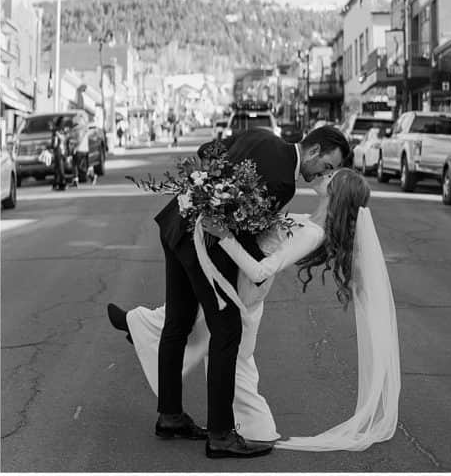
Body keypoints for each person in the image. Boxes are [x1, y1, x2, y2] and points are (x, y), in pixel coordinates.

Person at [108, 168, 400, 452]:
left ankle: (256, 428)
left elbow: (261, 270)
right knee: (208, 331)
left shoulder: (313, 233)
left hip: (248, 289)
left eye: (331, 176)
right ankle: (141, 326)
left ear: (337, 193)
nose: (324, 175)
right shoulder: (309, 220)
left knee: (231, 355)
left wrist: (225, 236)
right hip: (240, 283)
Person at [120, 125, 350, 459]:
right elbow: (244, 234)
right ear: (315, 151)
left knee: (179, 320)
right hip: (204, 247)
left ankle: (170, 415)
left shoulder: (260, 135)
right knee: (227, 332)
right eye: (327, 166)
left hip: (176, 221)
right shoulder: (284, 182)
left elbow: (205, 152)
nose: (322, 174)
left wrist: (204, 192)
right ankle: (221, 434)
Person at [50, 118, 68, 191]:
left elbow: (54, 143)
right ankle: (60, 183)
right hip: (61, 150)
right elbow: (63, 140)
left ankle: (59, 183)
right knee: (59, 168)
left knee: (58, 168)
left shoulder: (57, 131)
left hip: (59, 150)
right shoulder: (61, 131)